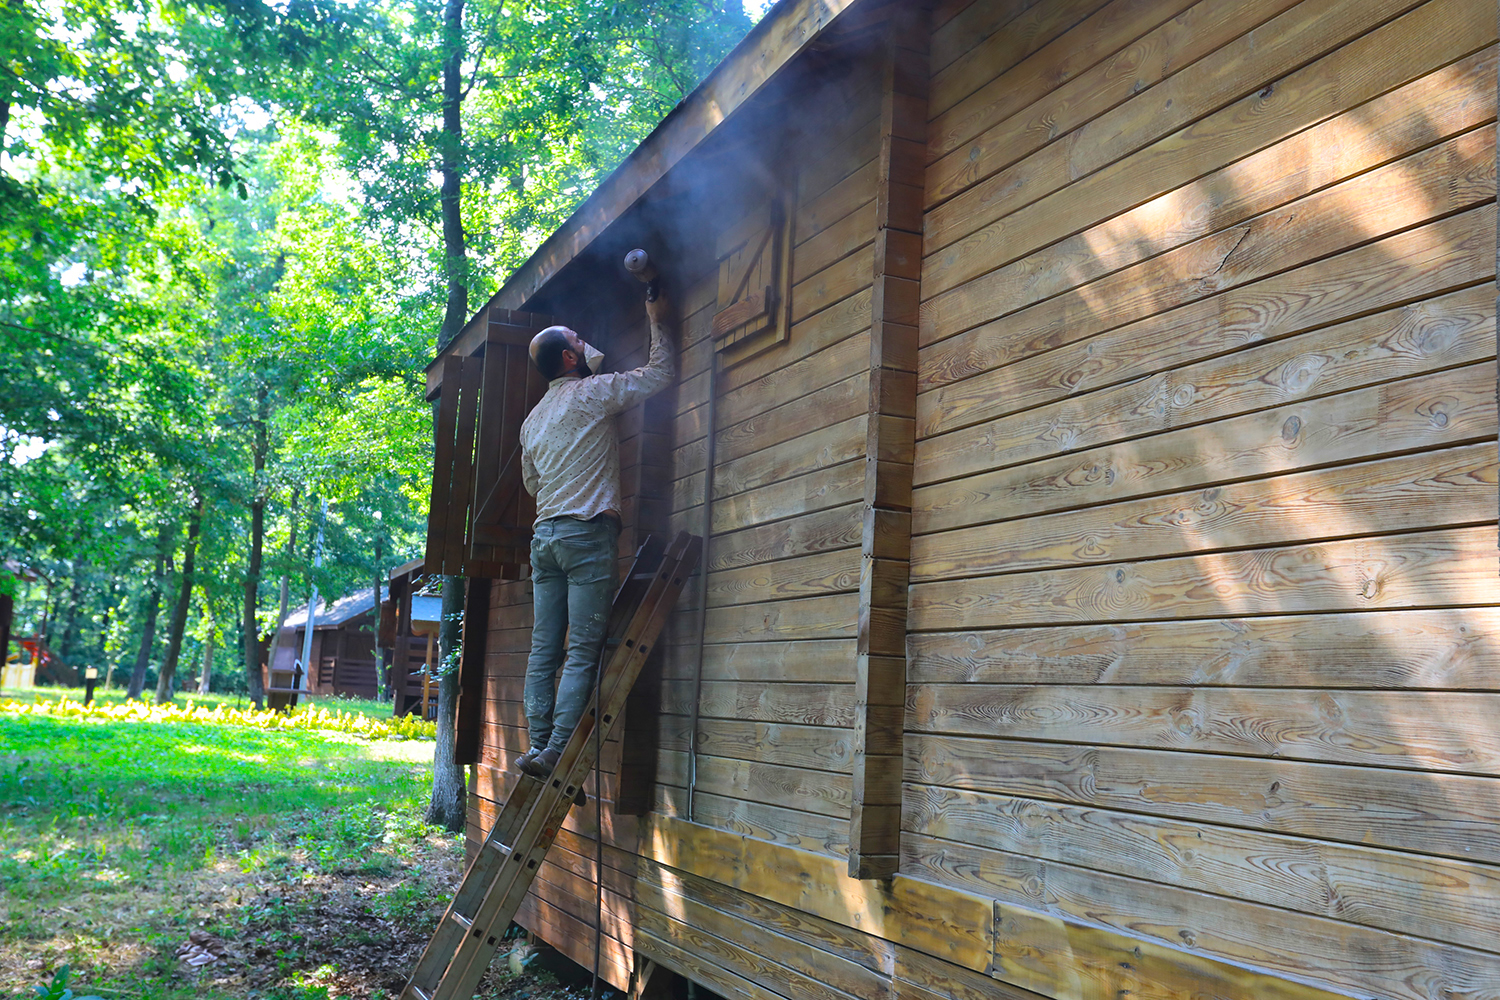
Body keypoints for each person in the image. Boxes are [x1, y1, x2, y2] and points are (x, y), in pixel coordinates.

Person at [516, 295, 674, 777]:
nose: (587, 343)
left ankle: (537, 745)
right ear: (570, 357)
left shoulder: (532, 420)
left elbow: (532, 484)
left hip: (545, 539)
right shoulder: (593, 392)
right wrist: (657, 320)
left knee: (544, 649)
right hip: (586, 535)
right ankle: (556, 751)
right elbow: (659, 374)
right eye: (578, 340)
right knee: (583, 650)